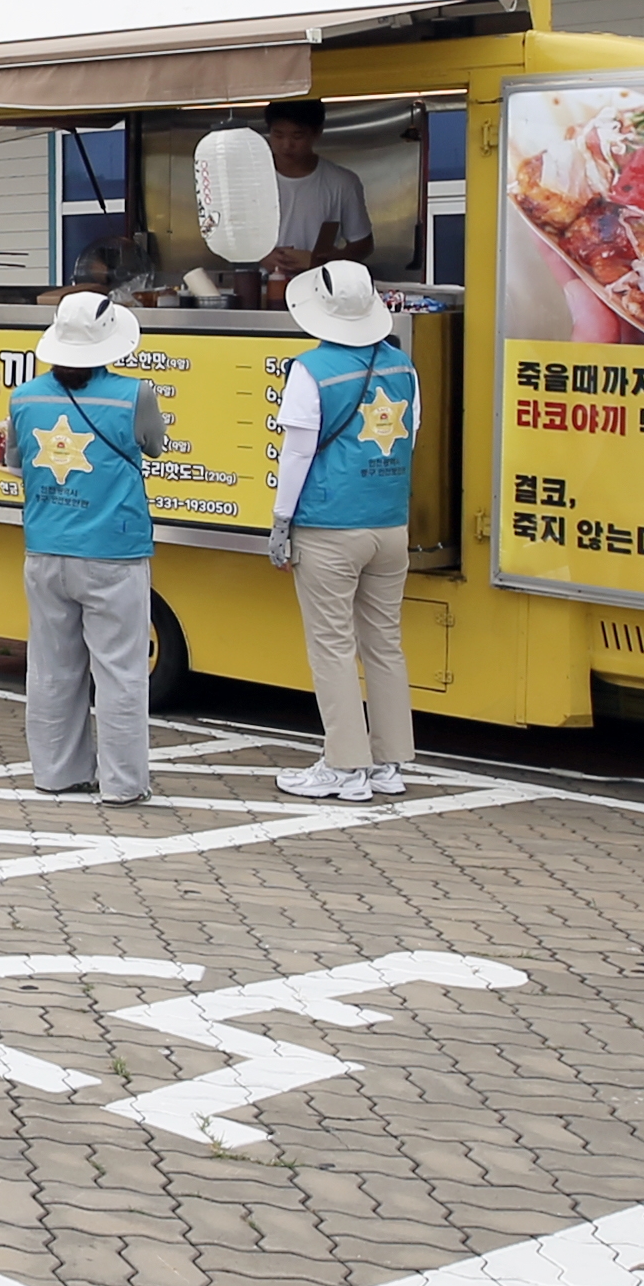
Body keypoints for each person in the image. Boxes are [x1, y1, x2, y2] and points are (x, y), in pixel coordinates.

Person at [2, 289, 174, 805]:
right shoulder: (134, 394)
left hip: (46, 548)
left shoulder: (24, 398)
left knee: (53, 668)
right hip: (113, 552)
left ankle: (56, 772)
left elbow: (14, 460)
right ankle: (123, 785)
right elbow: (155, 445)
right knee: (120, 671)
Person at [264, 260, 419, 801]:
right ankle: (390, 762)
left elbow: (298, 451)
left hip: (329, 526)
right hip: (389, 524)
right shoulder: (402, 367)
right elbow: (411, 435)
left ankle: (346, 767)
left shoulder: (311, 369)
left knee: (331, 646)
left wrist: (281, 521)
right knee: (385, 643)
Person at [251, 99, 379, 283]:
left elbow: (363, 244)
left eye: (297, 136)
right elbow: (229, 235)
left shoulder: (342, 182)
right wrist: (260, 256)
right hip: (261, 286)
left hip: (321, 286)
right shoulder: (251, 179)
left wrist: (333, 259)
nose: (287, 145)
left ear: (317, 133)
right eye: (278, 135)